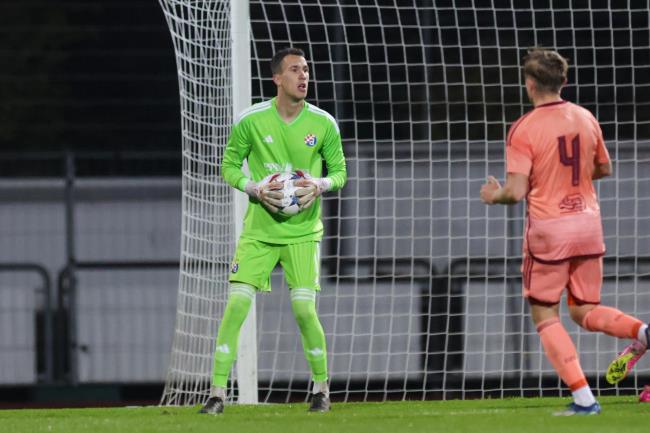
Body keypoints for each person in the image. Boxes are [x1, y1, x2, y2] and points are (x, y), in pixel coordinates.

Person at [480, 47, 648, 416]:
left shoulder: (524, 128)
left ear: (529, 84)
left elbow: (515, 192)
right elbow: (603, 168)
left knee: (545, 313)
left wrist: (493, 195)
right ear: (564, 81)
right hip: (588, 225)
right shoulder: (585, 117)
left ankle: (584, 399)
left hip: (549, 231)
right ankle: (643, 333)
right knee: (584, 309)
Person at [200, 47, 347, 414]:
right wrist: (251, 187)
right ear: (277, 78)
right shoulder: (251, 120)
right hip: (259, 233)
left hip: (303, 233)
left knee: (304, 311)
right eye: (295, 70)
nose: (304, 76)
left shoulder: (324, 123)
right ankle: (217, 394)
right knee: (236, 306)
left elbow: (340, 172)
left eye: (306, 69)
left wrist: (320, 184)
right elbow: (229, 165)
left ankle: (321, 390)